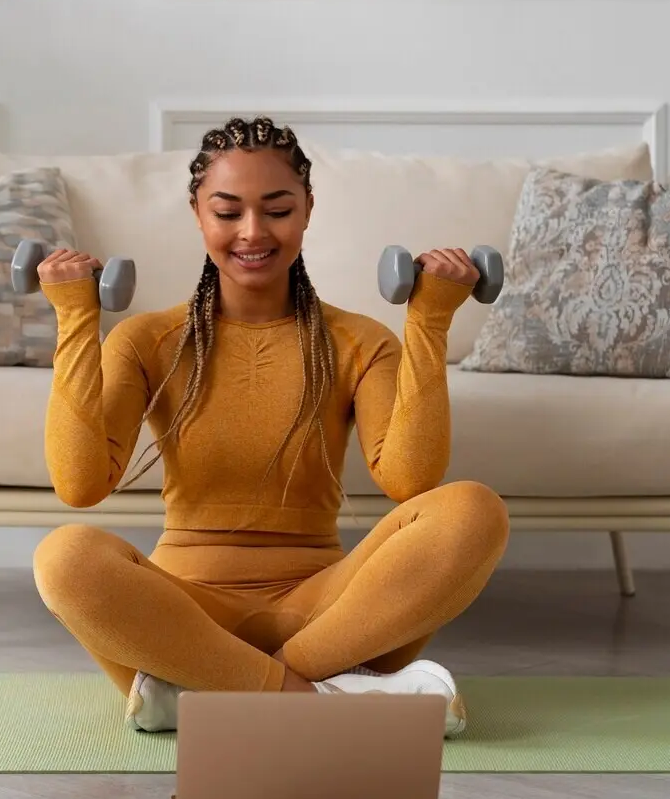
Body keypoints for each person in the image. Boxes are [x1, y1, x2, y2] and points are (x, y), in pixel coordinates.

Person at [31, 116, 510, 738]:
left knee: (474, 511)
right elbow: (79, 484)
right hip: (186, 622)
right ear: (197, 214)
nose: (252, 232)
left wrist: (430, 320)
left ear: (308, 209)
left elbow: (412, 479)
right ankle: (331, 697)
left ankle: (220, 693)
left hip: (330, 619)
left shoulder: (358, 341)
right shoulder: (148, 341)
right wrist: (75, 318)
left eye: (277, 210)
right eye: (227, 212)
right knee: (64, 556)